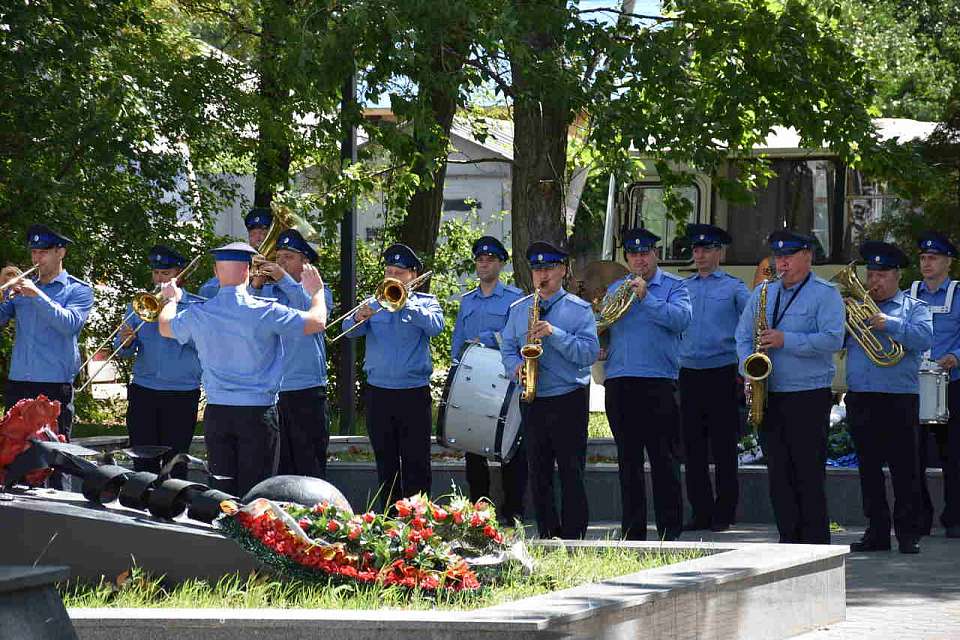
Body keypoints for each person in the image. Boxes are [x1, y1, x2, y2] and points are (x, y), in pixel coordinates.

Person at [158, 241, 328, 497]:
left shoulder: (200, 313)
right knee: (256, 493)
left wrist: (172, 300)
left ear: (216, 273)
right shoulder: (264, 310)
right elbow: (317, 321)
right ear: (248, 272)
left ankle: (221, 535)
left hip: (217, 413)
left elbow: (165, 327)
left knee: (221, 491)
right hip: (258, 413)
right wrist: (317, 292)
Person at [735, 230, 845, 544]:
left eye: (789, 257)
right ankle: (788, 539)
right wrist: (749, 368)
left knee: (808, 473)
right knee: (779, 474)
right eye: (778, 257)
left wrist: (787, 340)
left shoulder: (826, 294)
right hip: (770, 394)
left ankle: (815, 544)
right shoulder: (763, 293)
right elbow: (742, 337)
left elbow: (833, 339)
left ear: (807, 256)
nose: (781, 263)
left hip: (808, 395)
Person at [501, 241, 599, 539]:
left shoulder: (579, 310)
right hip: (533, 397)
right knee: (538, 471)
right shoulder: (519, 309)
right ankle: (547, 533)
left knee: (571, 470)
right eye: (537, 269)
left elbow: (589, 353)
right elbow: (507, 347)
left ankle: (574, 535)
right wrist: (515, 366)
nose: (541, 275)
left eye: (548, 268)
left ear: (563, 270)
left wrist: (554, 333)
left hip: (568, 397)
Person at [602, 228, 692, 541]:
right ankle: (632, 530)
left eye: (645, 253)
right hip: (620, 381)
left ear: (655, 254)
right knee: (628, 460)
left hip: (658, 382)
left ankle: (670, 530)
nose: (639, 259)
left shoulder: (674, 287)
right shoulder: (615, 288)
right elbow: (604, 325)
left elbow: (681, 320)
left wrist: (647, 297)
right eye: (633, 254)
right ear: (626, 258)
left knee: (663, 459)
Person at [342, 243, 443, 510]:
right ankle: (388, 518)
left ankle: (418, 521)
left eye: (399, 272)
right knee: (385, 462)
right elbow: (346, 332)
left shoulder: (426, 303)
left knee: (417, 462)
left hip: (413, 392)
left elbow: (436, 327)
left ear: (412, 275)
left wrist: (406, 304)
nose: (392, 276)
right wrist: (357, 318)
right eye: (389, 270)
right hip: (379, 393)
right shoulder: (373, 303)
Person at [845, 241, 931, 555]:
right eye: (871, 274)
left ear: (897, 276)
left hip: (899, 397)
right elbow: (833, 339)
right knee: (868, 470)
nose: (874, 281)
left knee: (904, 469)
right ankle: (876, 532)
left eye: (882, 275)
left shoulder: (914, 307)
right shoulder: (855, 305)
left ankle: (908, 534)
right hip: (861, 396)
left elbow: (924, 338)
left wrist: (890, 323)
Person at [678, 224, 750, 532]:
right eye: (696, 250)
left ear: (720, 252)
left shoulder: (734, 288)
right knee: (692, 448)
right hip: (689, 373)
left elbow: (751, 325)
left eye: (707, 249)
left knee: (723, 447)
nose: (701, 255)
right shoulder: (681, 287)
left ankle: (725, 512)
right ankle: (701, 511)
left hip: (721, 372)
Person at [451, 236, 526, 523]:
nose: (484, 264)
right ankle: (479, 511)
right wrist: (455, 367)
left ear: (501, 264)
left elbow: (518, 337)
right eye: (480, 260)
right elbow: (458, 340)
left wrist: (484, 339)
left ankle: (513, 510)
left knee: (510, 449)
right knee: (473, 449)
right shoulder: (467, 300)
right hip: (473, 383)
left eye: (490, 259)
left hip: (506, 380)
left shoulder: (515, 298)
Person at [0, 224, 94, 446]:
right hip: (19, 384)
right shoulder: (20, 289)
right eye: (34, 252)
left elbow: (69, 325)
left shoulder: (78, 290)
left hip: (54, 386)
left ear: (60, 253)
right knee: (13, 454)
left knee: (55, 458)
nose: (37, 258)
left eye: (43, 252)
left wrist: (38, 296)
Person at [115, 245, 204, 477]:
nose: (159, 279)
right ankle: (139, 505)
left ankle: (172, 507)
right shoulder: (141, 303)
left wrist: (170, 312)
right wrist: (125, 342)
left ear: (180, 275)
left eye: (165, 274)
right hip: (144, 389)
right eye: (156, 273)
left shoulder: (196, 307)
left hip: (181, 392)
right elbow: (123, 351)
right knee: (142, 458)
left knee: (175, 461)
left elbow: (203, 345)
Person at [255, 229, 334, 479]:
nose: (280, 263)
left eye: (288, 257)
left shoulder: (318, 291)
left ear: (305, 262)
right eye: (278, 257)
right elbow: (246, 319)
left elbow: (312, 313)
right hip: (272, 391)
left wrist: (284, 279)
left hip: (306, 390)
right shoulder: (266, 293)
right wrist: (255, 286)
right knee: (277, 467)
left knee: (309, 464)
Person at [911, 231, 960, 539]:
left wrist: (956, 356)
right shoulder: (909, 293)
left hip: (952, 384)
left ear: (948, 263)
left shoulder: (958, 293)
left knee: (953, 456)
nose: (926, 263)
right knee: (912, 456)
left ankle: (954, 518)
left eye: (933, 258)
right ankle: (919, 518)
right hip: (914, 385)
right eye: (923, 258)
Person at [199, 207, 274, 298]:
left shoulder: (281, 269)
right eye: (253, 234)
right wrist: (244, 279)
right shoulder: (240, 261)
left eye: (263, 234)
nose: (258, 238)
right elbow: (206, 291)